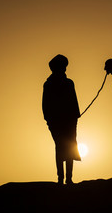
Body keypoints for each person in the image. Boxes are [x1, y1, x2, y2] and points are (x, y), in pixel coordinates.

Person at [42, 54, 81, 185]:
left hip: (68, 121)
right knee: (61, 147)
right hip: (57, 122)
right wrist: (49, 120)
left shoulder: (68, 83)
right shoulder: (49, 85)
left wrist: (75, 115)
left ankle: (68, 179)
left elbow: (74, 101)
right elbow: (46, 105)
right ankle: (61, 179)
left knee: (69, 147)